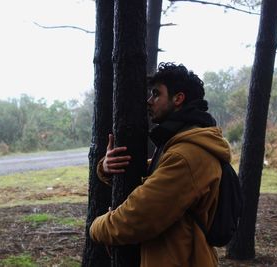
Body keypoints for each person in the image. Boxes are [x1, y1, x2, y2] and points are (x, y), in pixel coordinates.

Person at [90, 62, 232, 267]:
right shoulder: (181, 145)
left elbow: (138, 217)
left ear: (178, 99)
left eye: (156, 94)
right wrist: (107, 167)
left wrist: (95, 226)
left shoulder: (187, 156)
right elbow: (153, 177)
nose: (149, 101)